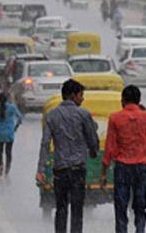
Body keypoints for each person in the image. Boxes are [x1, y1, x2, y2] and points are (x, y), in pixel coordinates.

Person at [37, 79, 99, 233]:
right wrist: (93, 151)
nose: (82, 99)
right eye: (81, 95)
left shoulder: (52, 116)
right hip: (78, 170)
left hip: (60, 170)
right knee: (77, 210)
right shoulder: (84, 115)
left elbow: (45, 143)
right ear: (73, 95)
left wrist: (40, 169)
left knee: (61, 208)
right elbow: (93, 140)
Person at [101, 85, 146, 233]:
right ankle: (140, 229)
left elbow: (110, 147)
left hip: (122, 167)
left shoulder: (115, 118)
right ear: (139, 100)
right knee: (140, 205)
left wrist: (103, 172)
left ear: (123, 100)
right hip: (141, 168)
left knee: (121, 206)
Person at [0, 93, 23, 176]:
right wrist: (15, 127)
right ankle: (7, 167)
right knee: (8, 152)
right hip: (10, 133)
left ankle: (1, 165)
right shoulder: (12, 107)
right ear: (7, 99)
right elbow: (20, 117)